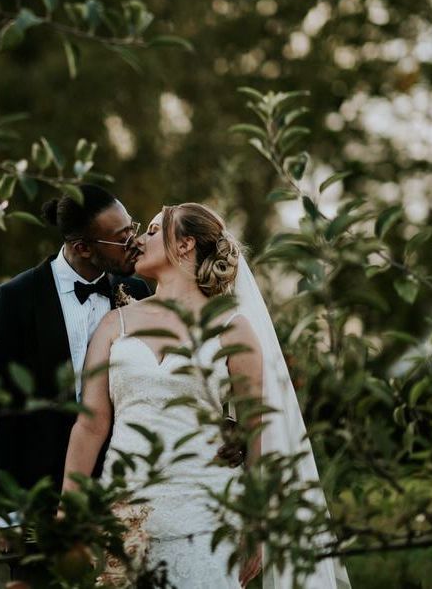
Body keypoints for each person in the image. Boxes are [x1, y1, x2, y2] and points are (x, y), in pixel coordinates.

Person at [61, 203, 351, 588]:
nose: (138, 239)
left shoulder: (233, 329)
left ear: (185, 244)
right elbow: (90, 424)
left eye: (151, 230)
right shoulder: (116, 323)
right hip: (127, 514)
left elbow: (255, 434)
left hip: (207, 515)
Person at [0, 184, 151, 584]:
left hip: (121, 494)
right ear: (83, 248)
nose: (135, 242)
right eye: (123, 237)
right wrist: (5, 514)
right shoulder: (14, 300)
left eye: (134, 229)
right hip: (39, 494)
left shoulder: (139, 293)